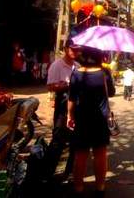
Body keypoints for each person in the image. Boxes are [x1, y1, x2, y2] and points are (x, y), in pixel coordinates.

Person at [67, 46, 115, 197]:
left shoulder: (76, 73)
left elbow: (72, 98)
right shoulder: (104, 73)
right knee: (100, 154)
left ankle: (78, 188)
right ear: (99, 56)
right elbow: (112, 93)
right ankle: (100, 187)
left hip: (82, 117)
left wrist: (70, 116)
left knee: (80, 154)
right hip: (100, 118)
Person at [46, 40, 77, 178]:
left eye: (78, 49)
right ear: (65, 49)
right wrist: (65, 86)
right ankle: (48, 172)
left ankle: (69, 172)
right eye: (72, 49)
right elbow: (50, 86)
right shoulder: (56, 65)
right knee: (58, 139)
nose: (75, 51)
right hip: (62, 106)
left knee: (75, 142)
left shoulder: (78, 66)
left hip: (76, 108)